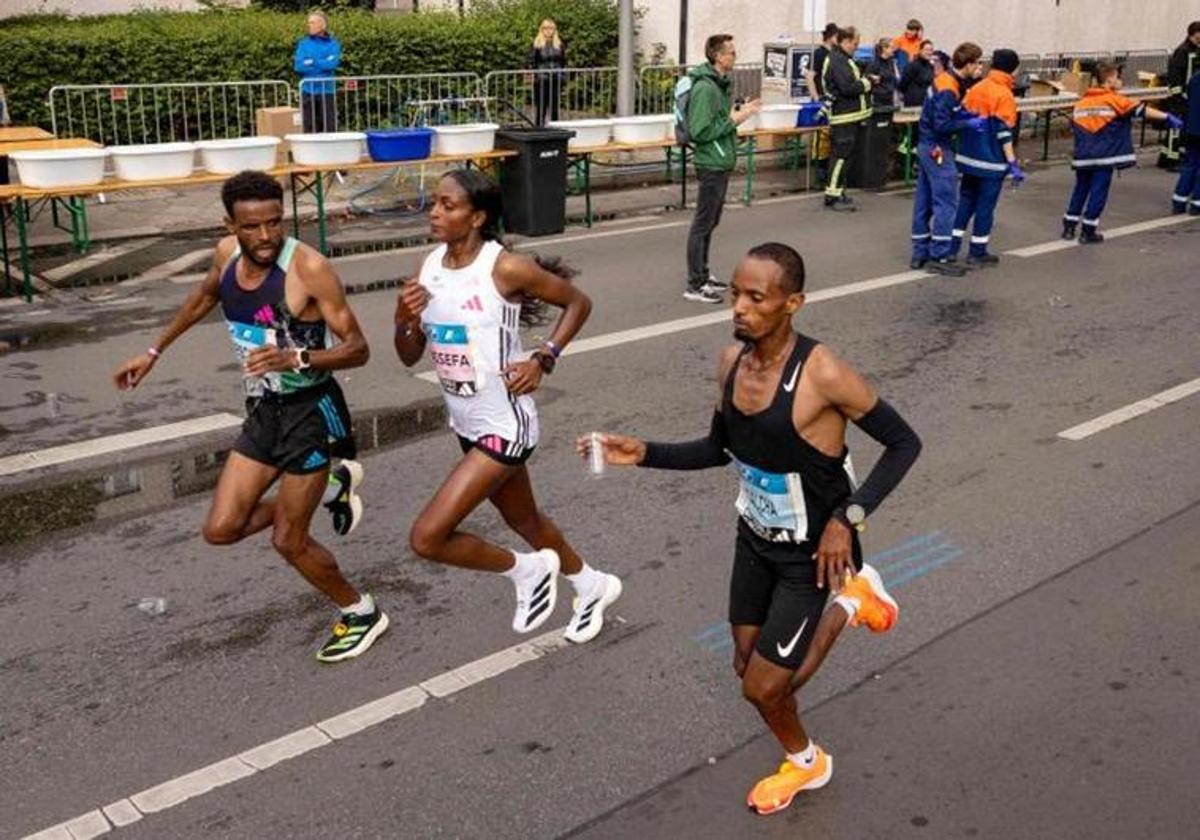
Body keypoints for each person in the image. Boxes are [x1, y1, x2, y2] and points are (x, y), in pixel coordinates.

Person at [579, 242, 922, 815]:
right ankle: (843, 635)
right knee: (747, 664)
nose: (739, 307)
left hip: (815, 554)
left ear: (793, 303)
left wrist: (847, 519)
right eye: (736, 293)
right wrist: (642, 453)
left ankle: (841, 632)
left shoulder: (823, 372)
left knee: (762, 688)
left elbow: (904, 443)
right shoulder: (729, 363)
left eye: (755, 297)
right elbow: (719, 449)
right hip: (756, 539)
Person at [112, 170, 384, 664]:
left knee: (289, 540)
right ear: (230, 225)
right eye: (252, 227)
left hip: (310, 414)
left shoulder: (309, 268)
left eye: (274, 224)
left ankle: (360, 610)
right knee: (221, 528)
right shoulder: (226, 256)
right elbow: (203, 298)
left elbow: (359, 349)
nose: (265, 237)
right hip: (263, 410)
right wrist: (153, 351)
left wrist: (297, 358)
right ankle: (328, 487)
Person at [394, 169, 623, 644]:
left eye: (448, 205)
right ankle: (591, 585)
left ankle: (526, 571)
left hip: (506, 423)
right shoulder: (430, 265)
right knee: (524, 520)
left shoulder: (505, 268)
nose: (435, 213)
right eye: (433, 204)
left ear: (477, 217)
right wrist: (405, 317)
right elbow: (408, 354)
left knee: (428, 537)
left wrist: (544, 357)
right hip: (466, 422)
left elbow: (578, 303)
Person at [1062, 62, 1183, 243]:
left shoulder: (1081, 103)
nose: (1120, 81)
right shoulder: (1114, 100)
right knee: (1098, 192)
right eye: (1118, 77)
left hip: (1083, 156)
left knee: (1080, 190)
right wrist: (1168, 117)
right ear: (1110, 79)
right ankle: (1088, 231)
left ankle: (1069, 228)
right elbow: (1142, 111)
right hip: (1104, 157)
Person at [683, 34, 761, 304]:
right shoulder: (706, 88)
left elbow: (717, 121)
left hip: (720, 160)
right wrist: (738, 118)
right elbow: (701, 130)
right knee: (703, 223)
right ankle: (695, 284)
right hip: (711, 162)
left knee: (710, 222)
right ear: (718, 56)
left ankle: (703, 275)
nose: (734, 57)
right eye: (732, 53)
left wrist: (736, 115)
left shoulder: (718, 84)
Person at [910, 42, 987, 275]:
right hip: (937, 148)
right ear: (970, 63)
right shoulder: (949, 87)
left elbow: (942, 113)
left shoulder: (946, 81)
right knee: (946, 202)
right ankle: (940, 255)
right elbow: (941, 124)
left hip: (927, 145)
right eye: (979, 63)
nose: (981, 68)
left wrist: (962, 114)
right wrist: (968, 123)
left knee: (924, 201)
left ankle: (919, 253)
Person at [951, 48, 1025, 266]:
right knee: (985, 206)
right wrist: (1012, 164)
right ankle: (977, 251)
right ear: (1013, 68)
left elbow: (962, 117)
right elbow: (1004, 134)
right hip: (991, 162)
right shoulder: (1004, 95)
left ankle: (952, 247)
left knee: (965, 202)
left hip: (968, 159)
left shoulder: (977, 88)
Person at [821, 27, 873, 212]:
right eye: (854, 44)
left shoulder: (842, 59)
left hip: (850, 116)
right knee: (840, 157)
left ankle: (839, 191)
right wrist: (868, 83)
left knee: (846, 157)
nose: (856, 48)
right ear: (845, 41)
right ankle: (832, 196)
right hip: (843, 117)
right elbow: (847, 88)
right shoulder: (837, 60)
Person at [803, 23, 840, 188]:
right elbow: (810, 76)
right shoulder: (819, 54)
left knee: (829, 137)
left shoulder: (835, 54)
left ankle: (828, 172)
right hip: (822, 100)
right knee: (821, 138)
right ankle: (820, 175)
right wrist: (816, 97)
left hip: (833, 100)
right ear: (831, 37)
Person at [1160, 21, 1200, 170]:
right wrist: (1179, 96)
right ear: (1194, 33)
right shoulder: (1182, 51)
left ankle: (1166, 158)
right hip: (1179, 97)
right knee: (1175, 129)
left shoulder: (1195, 50)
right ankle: (1171, 161)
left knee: (1181, 130)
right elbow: (1175, 77)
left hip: (1189, 97)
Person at [294, 11, 342, 134]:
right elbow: (299, 67)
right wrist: (322, 63)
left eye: (312, 23)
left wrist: (312, 62)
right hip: (307, 91)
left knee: (329, 127)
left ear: (322, 25)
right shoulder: (303, 43)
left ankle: (330, 152)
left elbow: (332, 64)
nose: (309, 25)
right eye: (309, 23)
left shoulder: (333, 44)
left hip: (327, 91)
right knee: (309, 127)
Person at [1172, 66, 1200, 214]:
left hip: (1190, 128)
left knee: (1190, 164)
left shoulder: (1195, 78)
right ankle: (1197, 204)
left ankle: (1179, 201)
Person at [529, 18, 566, 126]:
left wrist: (562, 75)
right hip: (541, 80)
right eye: (545, 28)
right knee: (541, 107)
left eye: (551, 28)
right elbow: (531, 61)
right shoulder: (536, 45)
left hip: (556, 79)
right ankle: (539, 130)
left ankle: (555, 130)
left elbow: (563, 61)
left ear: (554, 30)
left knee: (555, 106)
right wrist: (534, 75)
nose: (548, 31)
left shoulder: (559, 44)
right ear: (541, 29)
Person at [898, 40, 936, 108]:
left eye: (931, 50)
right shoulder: (912, 66)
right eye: (926, 50)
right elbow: (902, 84)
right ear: (920, 50)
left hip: (926, 102)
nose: (929, 52)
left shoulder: (931, 67)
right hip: (913, 103)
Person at [864, 38, 900, 110]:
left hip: (890, 98)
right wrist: (871, 77)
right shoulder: (874, 64)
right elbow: (866, 78)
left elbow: (895, 78)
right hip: (878, 100)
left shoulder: (891, 62)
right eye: (891, 48)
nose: (894, 50)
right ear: (884, 49)